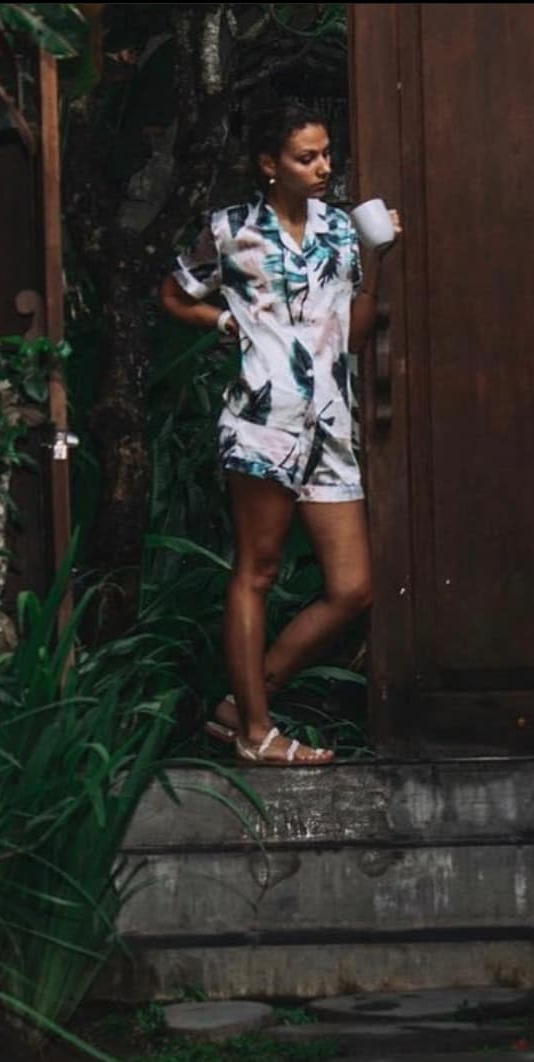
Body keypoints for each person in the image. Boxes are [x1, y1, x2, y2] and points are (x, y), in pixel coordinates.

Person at [158, 100, 401, 766]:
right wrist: (219, 323)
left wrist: (375, 257)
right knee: (257, 572)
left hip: (329, 425)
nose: (323, 168)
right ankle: (257, 734)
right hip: (262, 422)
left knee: (353, 588)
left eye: (326, 155)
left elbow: (351, 333)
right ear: (270, 164)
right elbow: (175, 293)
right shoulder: (231, 230)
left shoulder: (341, 232)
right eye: (307, 157)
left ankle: (244, 701)